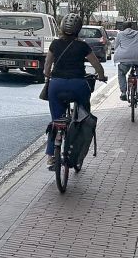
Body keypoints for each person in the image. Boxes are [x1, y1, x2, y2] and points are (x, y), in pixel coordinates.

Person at [43, 13, 107, 168]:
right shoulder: (83, 46)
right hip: (78, 85)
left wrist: (50, 74)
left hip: (56, 86)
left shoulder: (55, 44)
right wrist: (101, 76)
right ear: (78, 29)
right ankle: (77, 150)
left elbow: (46, 68)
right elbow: (96, 64)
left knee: (56, 119)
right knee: (84, 116)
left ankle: (51, 156)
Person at [114, 21, 138, 107]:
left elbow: (116, 46)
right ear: (132, 26)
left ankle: (123, 92)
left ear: (123, 27)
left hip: (125, 59)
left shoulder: (120, 35)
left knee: (121, 74)